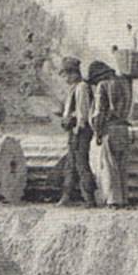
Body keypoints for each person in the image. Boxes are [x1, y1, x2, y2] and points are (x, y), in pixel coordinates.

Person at [88, 60, 133, 208]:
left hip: (110, 128)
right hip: (124, 129)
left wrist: (98, 131)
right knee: (122, 165)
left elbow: (100, 111)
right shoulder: (125, 84)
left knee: (109, 166)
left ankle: (113, 201)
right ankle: (124, 199)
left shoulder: (103, 85)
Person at [57, 57, 96, 207]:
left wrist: (75, 124)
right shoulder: (74, 88)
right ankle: (66, 196)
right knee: (70, 164)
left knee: (81, 164)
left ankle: (89, 199)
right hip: (74, 131)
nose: (65, 79)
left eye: (66, 75)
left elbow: (83, 112)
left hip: (81, 131)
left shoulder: (82, 87)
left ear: (73, 73)